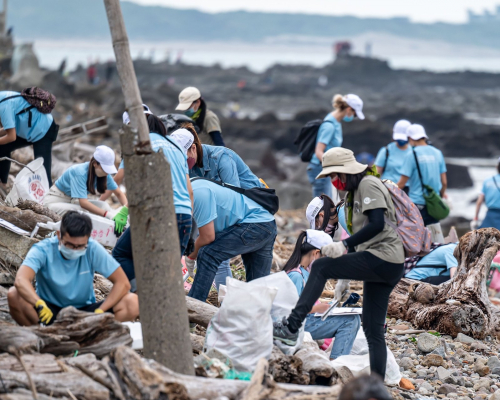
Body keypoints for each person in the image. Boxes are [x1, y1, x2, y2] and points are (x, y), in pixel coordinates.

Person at [273, 147, 405, 379]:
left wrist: (343, 246)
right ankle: (376, 387)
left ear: (346, 172)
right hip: (385, 263)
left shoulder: (368, 185)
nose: (333, 181)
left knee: (322, 267)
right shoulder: (354, 194)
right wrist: (344, 280)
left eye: (335, 176)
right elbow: (361, 236)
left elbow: (377, 225)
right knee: (373, 330)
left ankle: (292, 327)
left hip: (383, 258)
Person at [7, 211, 139, 326]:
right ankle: (42, 336)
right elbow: (21, 280)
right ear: (59, 235)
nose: (74, 250)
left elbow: (123, 283)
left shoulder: (93, 248)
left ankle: (95, 336)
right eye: (69, 245)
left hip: (84, 311)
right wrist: (38, 303)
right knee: (14, 294)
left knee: (132, 302)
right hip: (48, 309)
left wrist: (101, 311)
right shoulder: (43, 249)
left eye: (80, 246)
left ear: (88, 239)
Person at [112, 116, 194, 285]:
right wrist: (189, 227)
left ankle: (141, 294)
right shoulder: (177, 148)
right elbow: (189, 191)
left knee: (121, 254)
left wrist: (125, 211)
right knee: (168, 270)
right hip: (184, 216)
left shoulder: (142, 144)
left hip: (158, 213)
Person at [181, 126, 264, 289]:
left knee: (249, 267)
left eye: (184, 158)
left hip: (253, 210)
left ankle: (226, 303)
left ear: (193, 148)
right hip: (226, 209)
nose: (183, 163)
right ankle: (225, 303)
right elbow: (192, 200)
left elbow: (233, 197)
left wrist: (202, 241)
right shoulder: (188, 167)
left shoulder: (221, 157)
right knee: (215, 255)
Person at [186, 179, 277, 302]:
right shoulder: (195, 186)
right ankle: (256, 319)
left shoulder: (198, 192)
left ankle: (193, 308)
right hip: (267, 223)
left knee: (208, 253)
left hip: (255, 224)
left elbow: (208, 237)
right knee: (258, 289)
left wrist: (190, 256)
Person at [283, 230, 360, 359]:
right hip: (297, 326)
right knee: (351, 321)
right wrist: (317, 309)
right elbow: (289, 310)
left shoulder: (304, 272)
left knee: (352, 317)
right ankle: (337, 362)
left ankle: (338, 359)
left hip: (306, 321)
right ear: (316, 253)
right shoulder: (296, 276)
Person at [44, 146, 127, 221]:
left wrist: (125, 212)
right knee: (83, 212)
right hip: (54, 201)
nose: (107, 172)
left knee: (104, 206)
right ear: (95, 164)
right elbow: (83, 203)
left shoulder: (104, 174)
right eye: (104, 168)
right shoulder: (80, 172)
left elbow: (119, 193)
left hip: (71, 201)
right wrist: (107, 214)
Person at [308, 94, 365, 199]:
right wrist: (334, 169)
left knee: (329, 203)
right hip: (320, 169)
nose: (354, 116)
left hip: (325, 168)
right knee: (323, 206)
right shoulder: (329, 125)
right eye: (355, 114)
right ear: (349, 109)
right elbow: (319, 151)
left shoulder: (336, 122)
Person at [0, 90, 59, 190]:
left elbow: (11, 136)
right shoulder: (3, 96)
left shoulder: (4, 107)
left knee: (42, 169)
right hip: (27, 128)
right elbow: (8, 128)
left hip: (44, 129)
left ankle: (48, 198)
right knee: (2, 147)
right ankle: (2, 183)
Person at [397, 124, 447, 226]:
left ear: (410, 138)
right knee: (433, 238)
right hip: (433, 204)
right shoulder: (437, 153)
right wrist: (439, 196)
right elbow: (444, 183)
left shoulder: (411, 155)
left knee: (415, 238)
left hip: (417, 205)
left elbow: (401, 184)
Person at [374, 120, 411, 185]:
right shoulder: (386, 151)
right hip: (388, 189)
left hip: (408, 191)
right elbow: (376, 174)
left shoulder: (414, 152)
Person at [473, 158, 500, 230]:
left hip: (490, 216)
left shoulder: (487, 181)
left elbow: (479, 202)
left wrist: (476, 218)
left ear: (497, 167)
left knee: (484, 237)